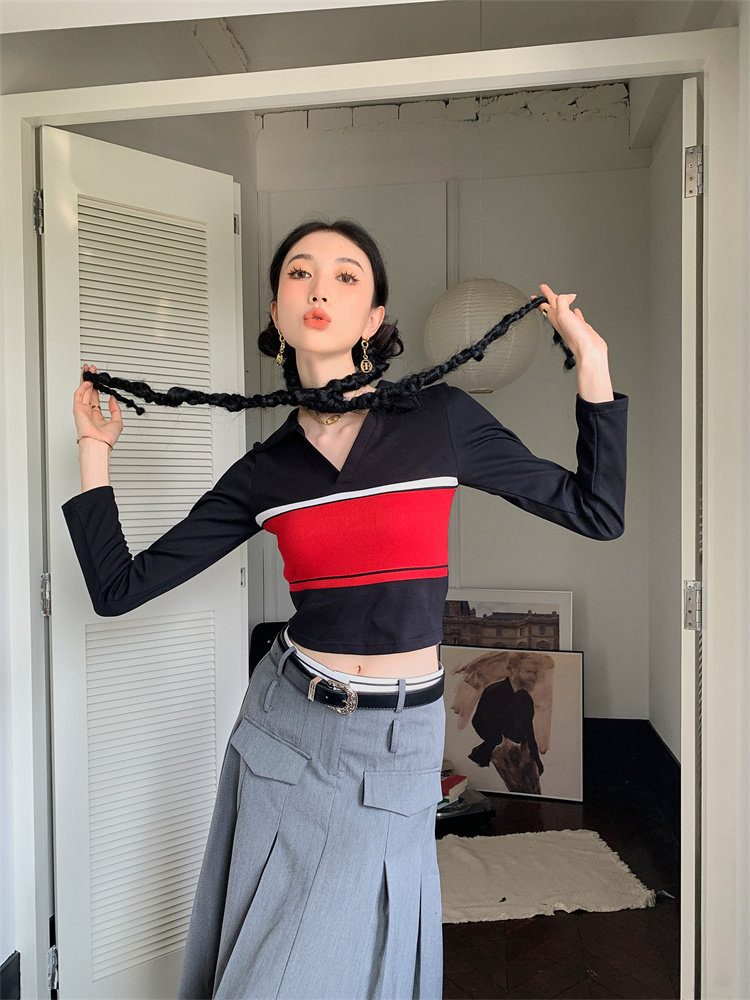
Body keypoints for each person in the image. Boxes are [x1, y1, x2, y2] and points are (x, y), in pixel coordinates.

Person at [63, 219, 628, 1000]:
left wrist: (592, 364)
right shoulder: (265, 471)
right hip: (284, 727)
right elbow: (118, 589)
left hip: (396, 737)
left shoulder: (440, 422)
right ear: (277, 311)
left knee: (361, 964)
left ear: (373, 319)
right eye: (299, 273)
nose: (319, 286)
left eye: (345, 275)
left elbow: (596, 511)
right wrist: (95, 452)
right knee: (266, 964)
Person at [468, 651, 554, 795]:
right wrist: (499, 741)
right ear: (513, 670)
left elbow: (529, 731)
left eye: (535, 673)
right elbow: (478, 721)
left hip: (523, 755)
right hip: (500, 754)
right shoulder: (493, 692)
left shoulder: (525, 698)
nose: (533, 677)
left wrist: (536, 760)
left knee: (532, 794)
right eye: (529, 672)